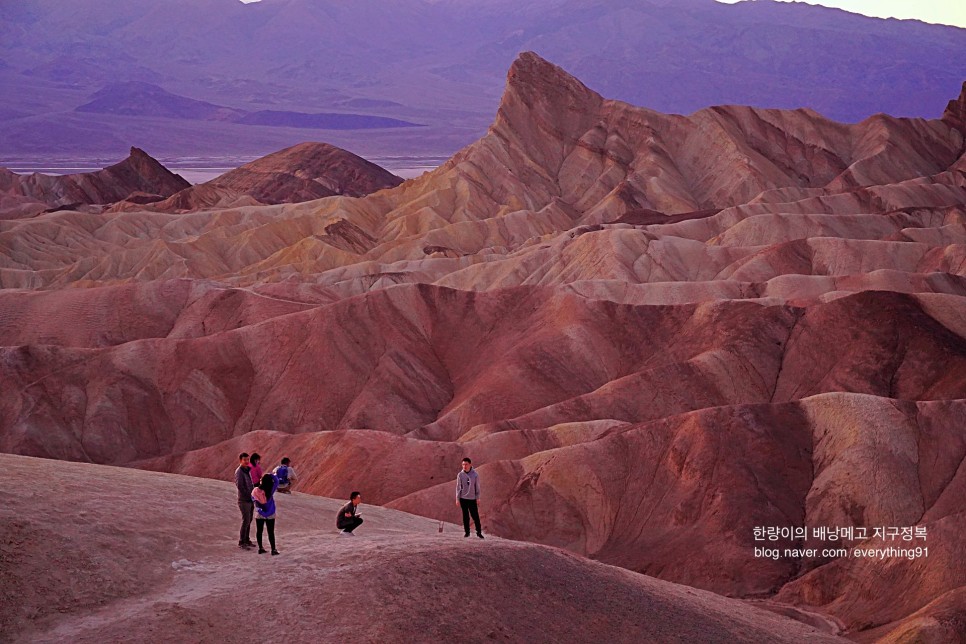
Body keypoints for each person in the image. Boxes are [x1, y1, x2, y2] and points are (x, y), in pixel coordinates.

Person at [252, 472, 280, 555]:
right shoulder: (270, 490)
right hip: (270, 513)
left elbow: (253, 499)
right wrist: (271, 475)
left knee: (259, 531)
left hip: (260, 513)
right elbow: (277, 481)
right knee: (270, 532)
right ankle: (273, 549)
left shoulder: (255, 491)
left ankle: (260, 548)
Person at [456, 457, 483, 539]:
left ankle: (479, 532)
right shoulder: (460, 475)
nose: (464, 466)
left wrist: (478, 498)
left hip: (472, 499)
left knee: (475, 516)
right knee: (465, 516)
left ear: (470, 464)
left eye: (466, 464)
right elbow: (458, 487)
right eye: (463, 464)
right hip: (463, 498)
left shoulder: (475, 474)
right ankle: (467, 532)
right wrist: (457, 498)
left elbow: (477, 487)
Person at [235, 452, 256, 549]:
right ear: (240, 461)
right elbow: (240, 486)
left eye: (248, 460)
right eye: (245, 460)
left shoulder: (247, 470)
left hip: (250, 499)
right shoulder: (239, 471)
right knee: (246, 520)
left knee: (249, 520)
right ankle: (241, 541)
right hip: (244, 500)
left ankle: (247, 539)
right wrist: (249, 495)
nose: (247, 462)